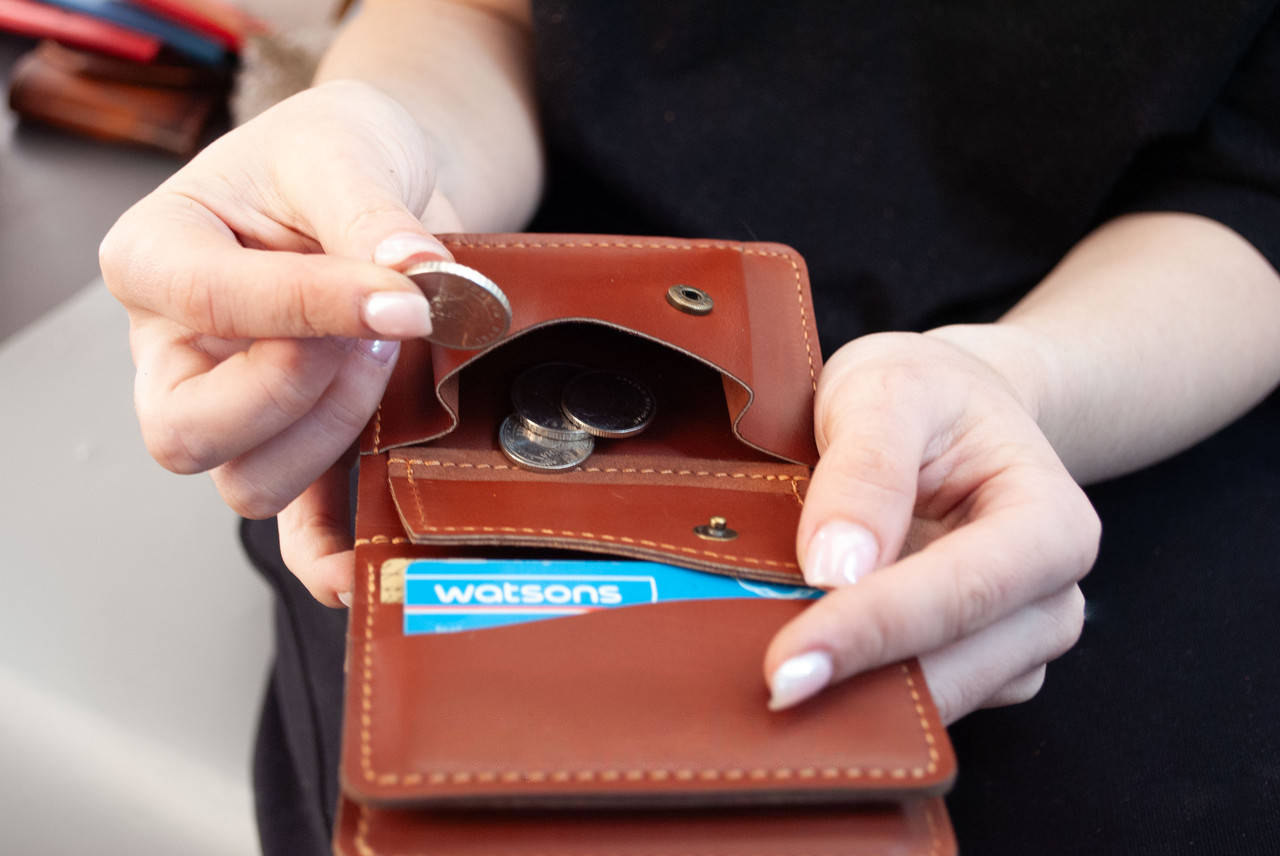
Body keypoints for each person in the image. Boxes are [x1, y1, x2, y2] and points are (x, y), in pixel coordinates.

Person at [99, 1, 1280, 853]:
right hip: (503, 337)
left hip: (1099, 371)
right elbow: (485, 14)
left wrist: (1020, 381)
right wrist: (381, 161)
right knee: (461, 784)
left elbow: (1254, 185)